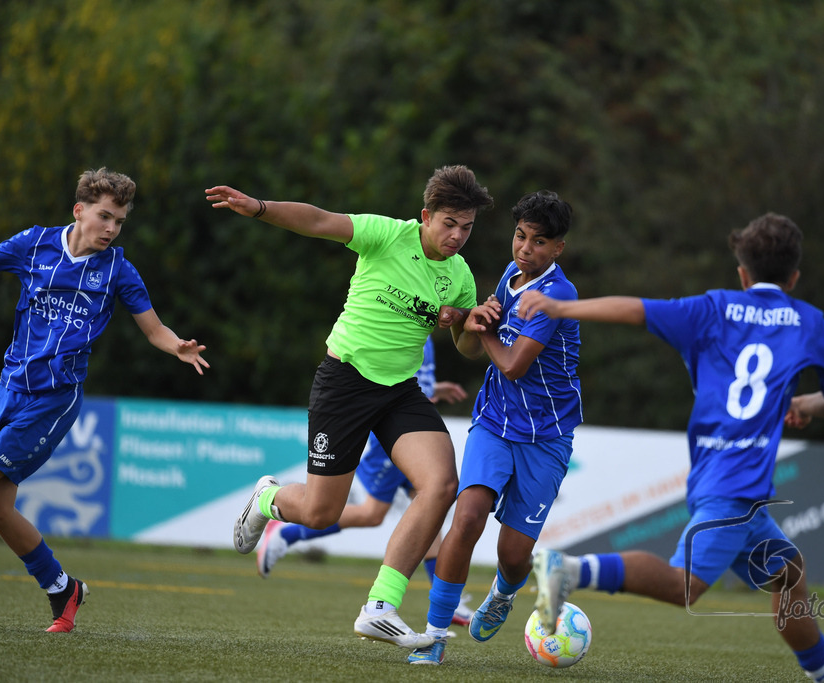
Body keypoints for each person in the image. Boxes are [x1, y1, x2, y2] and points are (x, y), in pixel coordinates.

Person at [520, 213, 824, 683]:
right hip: (737, 484)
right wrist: (804, 403)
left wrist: (562, 308)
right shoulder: (809, 322)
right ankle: (568, 570)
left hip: (722, 477)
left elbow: (636, 309)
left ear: (742, 274)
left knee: (789, 572)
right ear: (793, 277)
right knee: (682, 587)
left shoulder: (712, 308)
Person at [206, 166, 493, 650]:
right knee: (321, 512)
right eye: (449, 223)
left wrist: (472, 324)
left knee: (442, 484)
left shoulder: (459, 276)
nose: (458, 236)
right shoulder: (385, 236)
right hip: (345, 382)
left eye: (466, 227)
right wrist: (258, 207)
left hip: (399, 393)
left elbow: (465, 348)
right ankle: (266, 499)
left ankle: (380, 606)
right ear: (425, 217)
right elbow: (318, 220)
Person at [0, 168, 209, 633]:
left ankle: (61, 588)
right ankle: (62, 588)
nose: (112, 229)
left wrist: (177, 346)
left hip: (54, 399)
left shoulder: (118, 270)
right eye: (105, 217)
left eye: (120, 221)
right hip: (11, 386)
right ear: (79, 211)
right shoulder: (34, 243)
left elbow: (154, 330)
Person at [406, 190, 581, 665]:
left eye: (539, 241)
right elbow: (476, 344)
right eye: (520, 236)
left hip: (546, 434)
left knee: (513, 554)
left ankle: (504, 593)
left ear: (558, 249)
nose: (525, 248)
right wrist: (469, 320)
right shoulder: (510, 275)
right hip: (495, 420)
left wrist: (478, 326)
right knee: (466, 518)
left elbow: (512, 365)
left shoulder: (557, 295)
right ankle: (434, 635)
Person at [256, 337, 475, 628]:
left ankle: (446, 597)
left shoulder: (426, 324)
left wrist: (435, 389)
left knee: (430, 504)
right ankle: (286, 532)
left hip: (411, 428)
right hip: (390, 437)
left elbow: (408, 379)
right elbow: (381, 375)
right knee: (372, 513)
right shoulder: (401, 316)